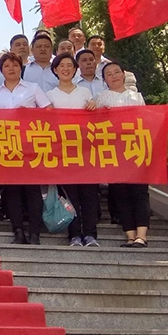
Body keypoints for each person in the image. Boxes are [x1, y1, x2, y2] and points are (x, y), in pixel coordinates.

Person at [0, 52, 52, 245]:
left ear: (21, 68)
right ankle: (18, 230)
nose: (11, 69)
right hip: (7, 146)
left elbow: (49, 112)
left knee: (33, 190)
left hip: (30, 146)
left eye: (15, 65)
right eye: (7, 66)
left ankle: (34, 232)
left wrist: (30, 115)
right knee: (12, 191)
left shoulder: (33, 88)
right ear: (1, 70)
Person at [45, 53, 99, 247]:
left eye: (70, 65)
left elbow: (97, 117)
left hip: (86, 150)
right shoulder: (50, 95)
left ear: (75, 70)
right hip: (63, 152)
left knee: (89, 194)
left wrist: (94, 105)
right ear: (55, 70)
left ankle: (91, 234)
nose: (66, 69)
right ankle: (74, 234)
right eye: (62, 66)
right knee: (70, 195)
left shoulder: (84, 92)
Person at [95, 62, 149, 248]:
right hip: (114, 152)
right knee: (121, 194)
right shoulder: (101, 98)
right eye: (109, 74)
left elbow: (148, 120)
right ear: (104, 80)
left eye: (117, 72)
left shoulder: (137, 97)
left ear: (123, 75)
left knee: (140, 193)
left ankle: (142, 235)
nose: (114, 76)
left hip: (136, 149)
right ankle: (130, 235)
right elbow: (93, 122)